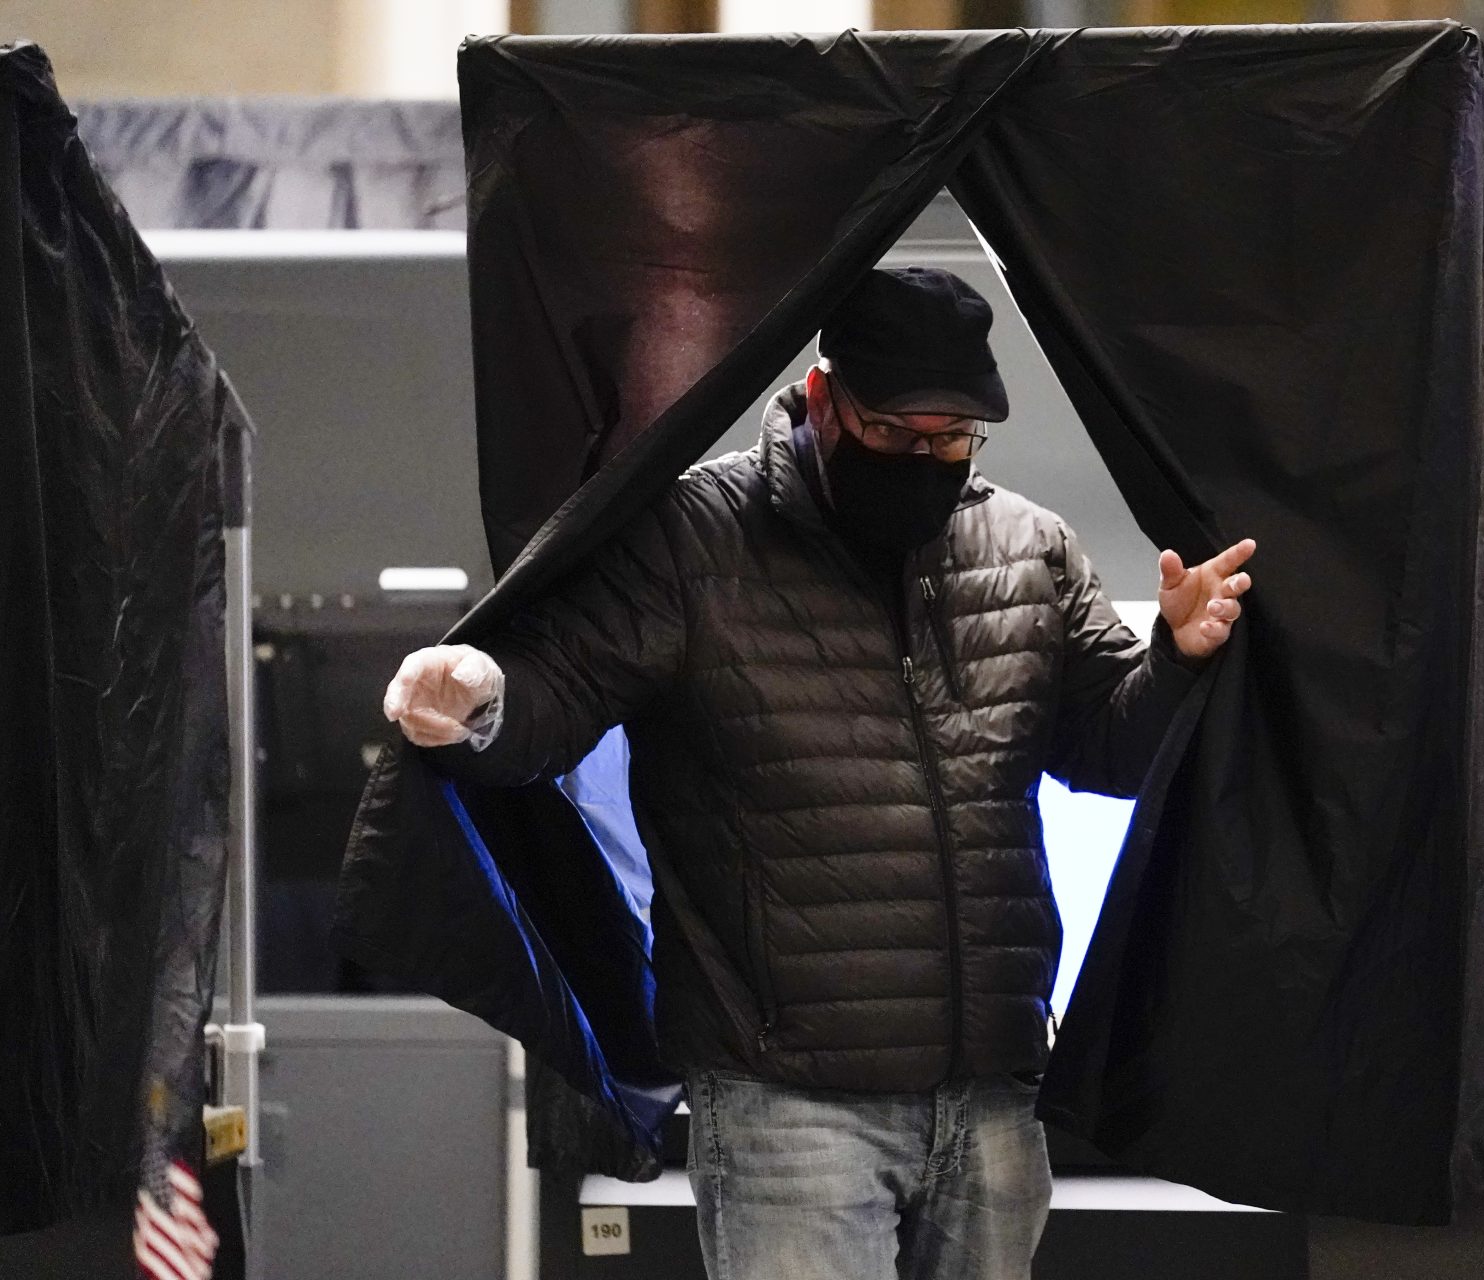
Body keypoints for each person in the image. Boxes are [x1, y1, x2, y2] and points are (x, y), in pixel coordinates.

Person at [382, 266, 1254, 1280]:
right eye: (894, 431)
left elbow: (1111, 747)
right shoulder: (694, 537)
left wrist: (1176, 659)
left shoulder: (1029, 548)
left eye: (952, 437)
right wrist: (478, 692)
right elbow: (560, 692)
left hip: (992, 1090)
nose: (925, 458)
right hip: (785, 1098)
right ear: (820, 395)